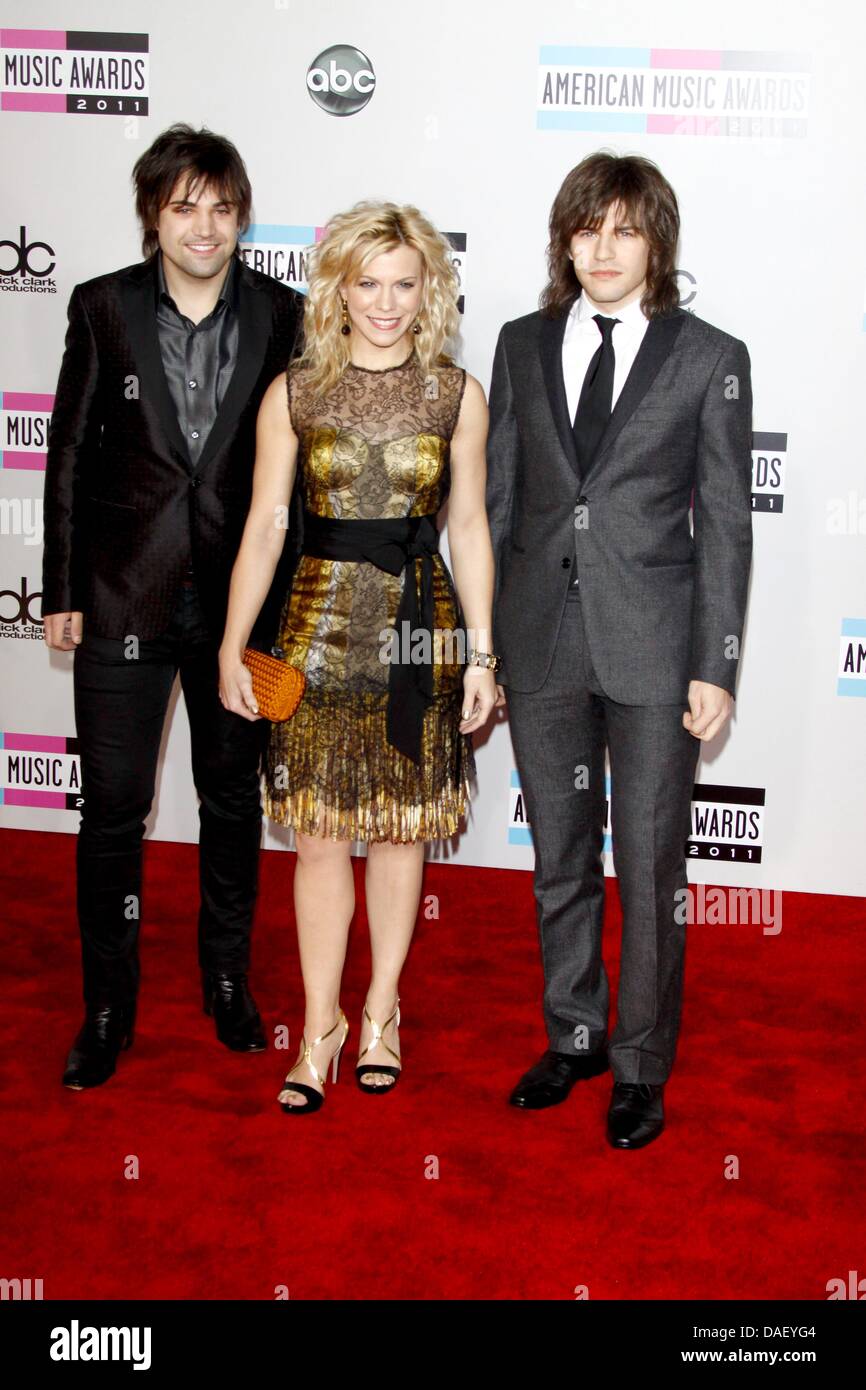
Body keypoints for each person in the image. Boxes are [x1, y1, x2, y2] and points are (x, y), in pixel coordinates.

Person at [486, 152, 753, 1148]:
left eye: (623, 230)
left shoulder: (707, 355)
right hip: (541, 646)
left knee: (648, 869)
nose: (601, 247)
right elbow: (500, 501)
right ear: (564, 238)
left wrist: (713, 664)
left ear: (654, 243)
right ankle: (574, 1033)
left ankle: (639, 1067)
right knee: (559, 858)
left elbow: (725, 521)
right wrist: (483, 645)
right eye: (585, 227)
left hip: (652, 651)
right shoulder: (518, 343)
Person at [219, 200, 498, 1113]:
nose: (385, 303)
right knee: (318, 837)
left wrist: (484, 656)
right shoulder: (294, 392)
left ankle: (382, 1010)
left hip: (419, 631)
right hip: (315, 628)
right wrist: (234, 643)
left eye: (403, 284)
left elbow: (467, 525)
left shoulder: (455, 393)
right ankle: (321, 1023)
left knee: (403, 828)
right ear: (336, 289)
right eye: (366, 283)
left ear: (430, 292)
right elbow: (265, 527)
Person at [42, 124, 304, 1089]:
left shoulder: (287, 313)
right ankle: (107, 1005)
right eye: (183, 206)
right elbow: (67, 450)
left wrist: (294, 603)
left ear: (243, 216)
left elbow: (299, 475)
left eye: (222, 207)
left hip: (241, 604)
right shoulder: (102, 306)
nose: (204, 226)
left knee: (231, 801)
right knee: (114, 808)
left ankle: (227, 982)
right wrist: (63, 588)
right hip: (120, 594)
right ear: (153, 213)